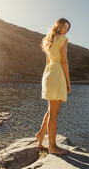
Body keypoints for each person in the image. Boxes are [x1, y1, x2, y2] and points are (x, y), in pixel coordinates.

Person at [35, 18, 71, 155]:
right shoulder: (63, 39)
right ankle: (53, 146)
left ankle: (40, 135)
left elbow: (47, 62)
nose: (65, 30)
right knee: (54, 114)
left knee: (51, 110)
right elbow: (64, 62)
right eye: (64, 27)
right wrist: (68, 81)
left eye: (67, 29)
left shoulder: (49, 39)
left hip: (48, 74)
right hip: (56, 75)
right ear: (58, 26)